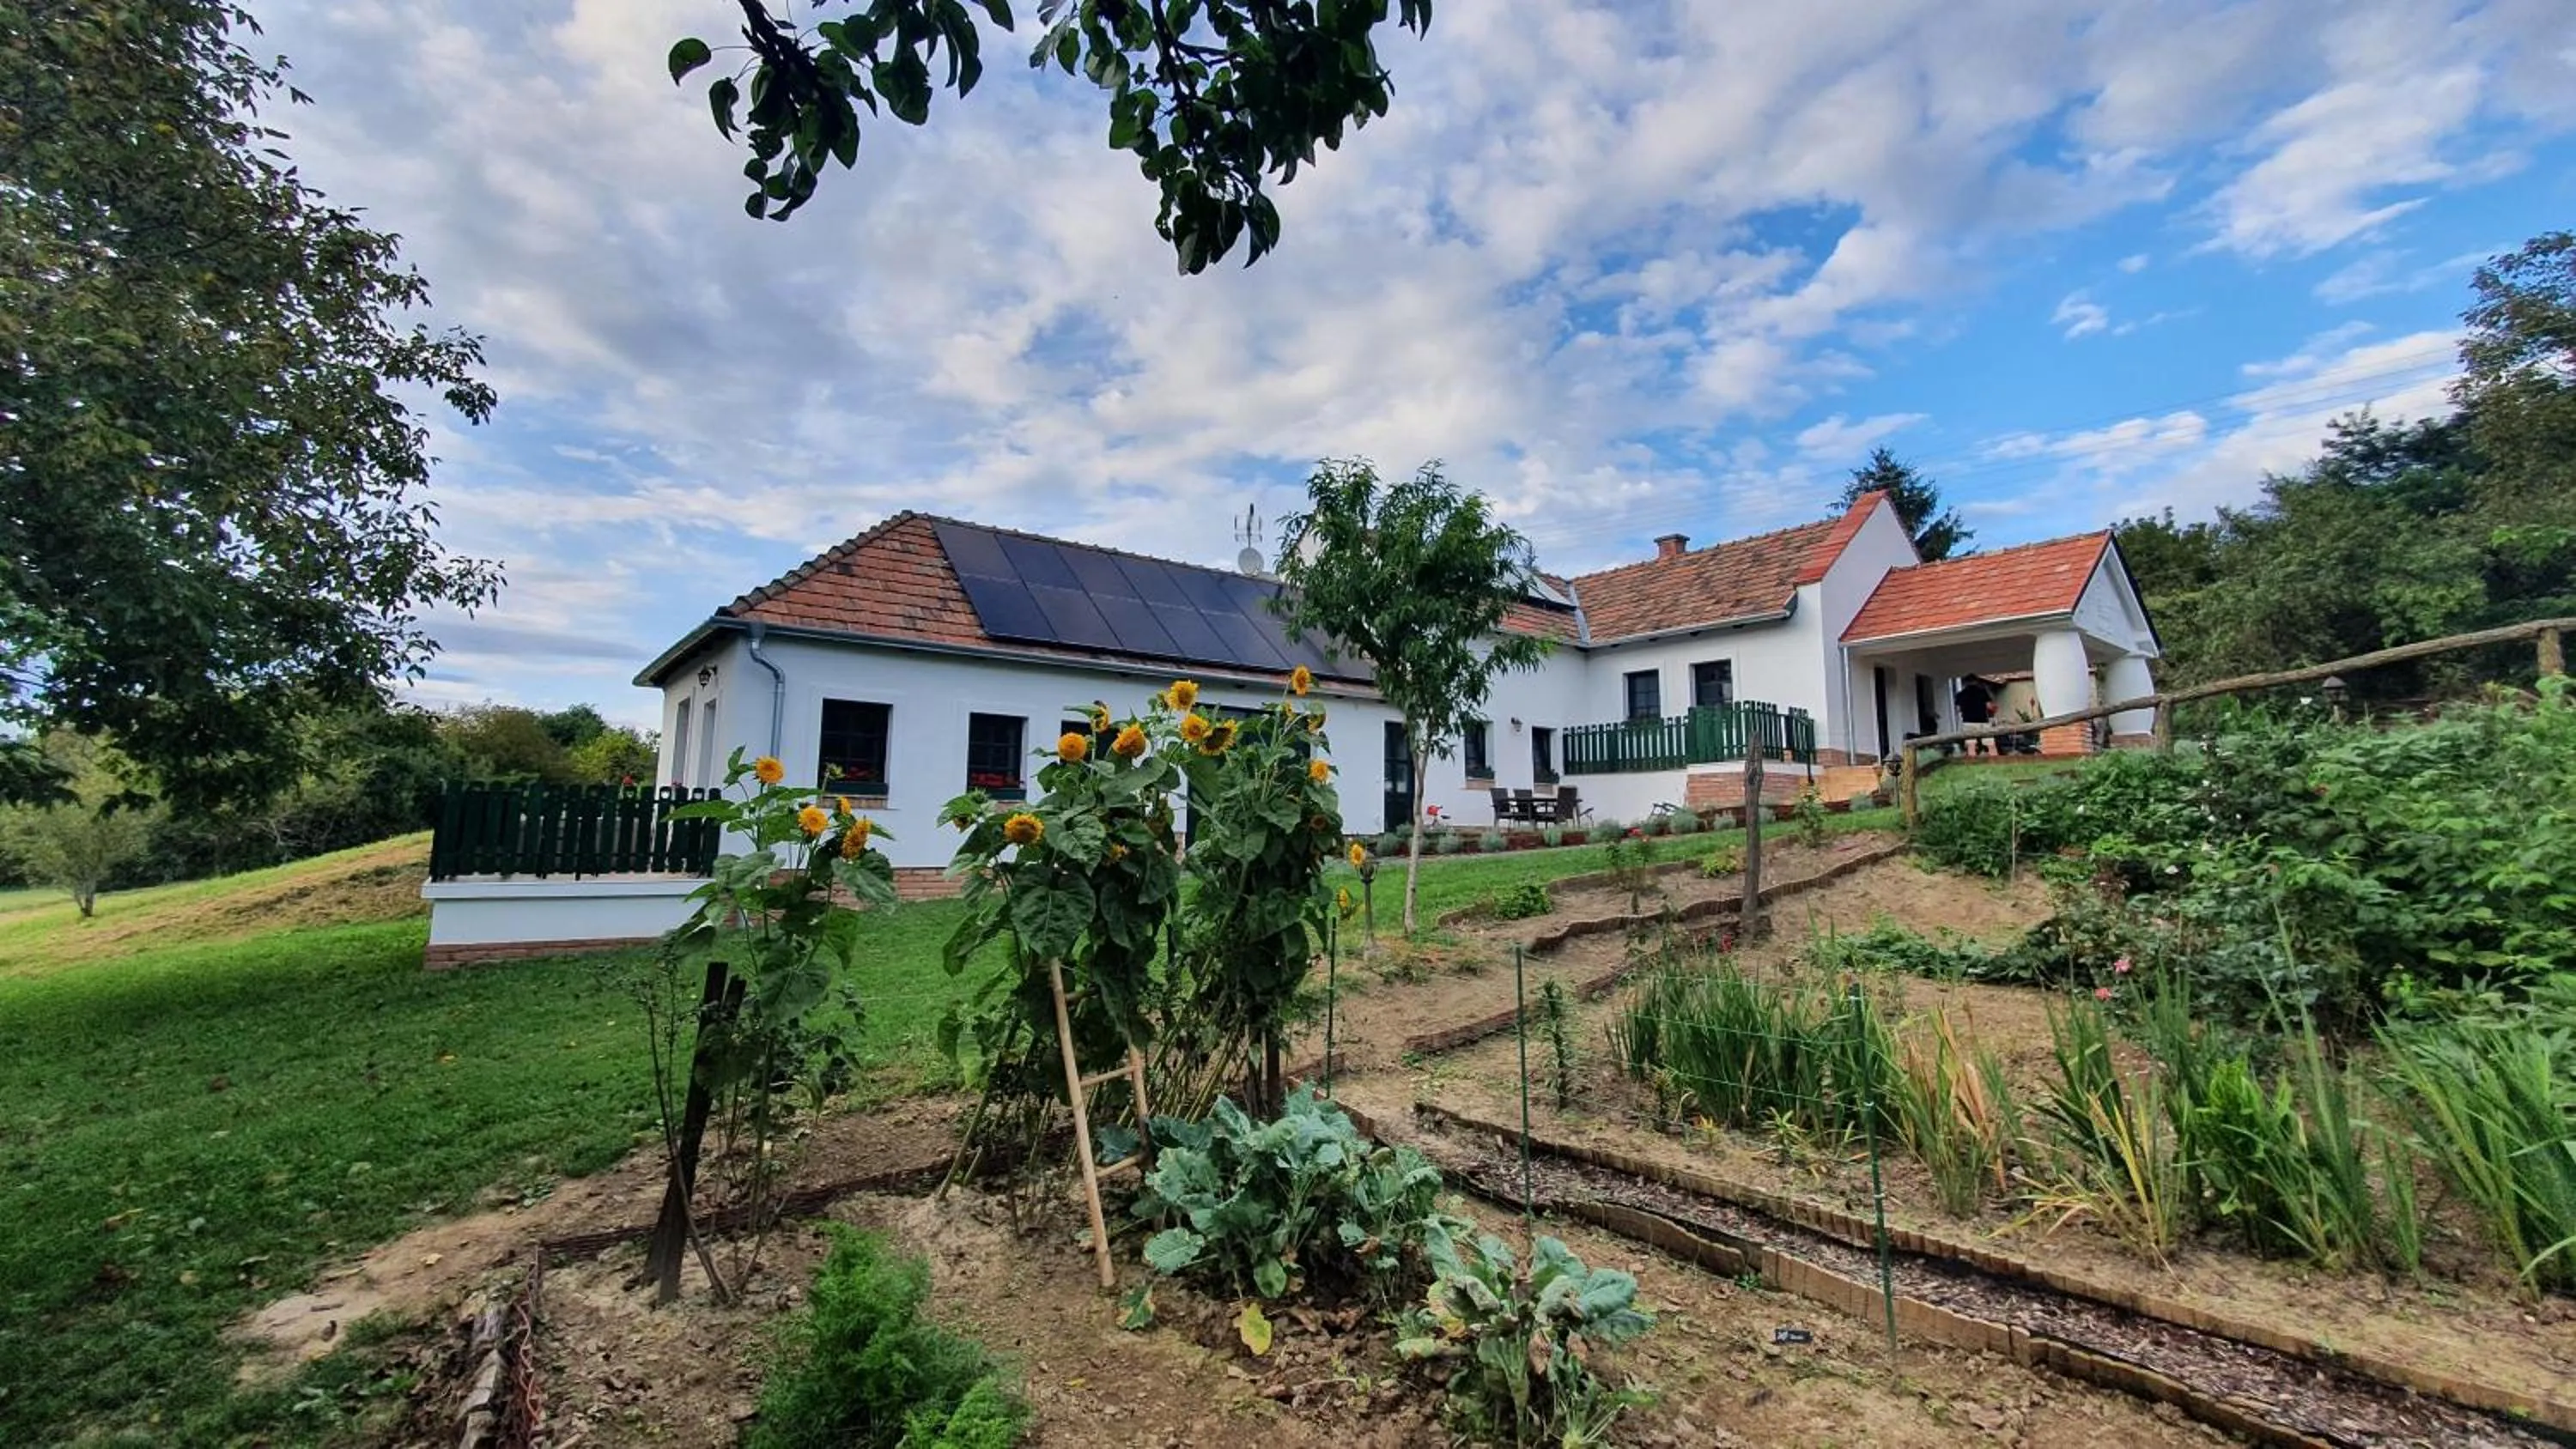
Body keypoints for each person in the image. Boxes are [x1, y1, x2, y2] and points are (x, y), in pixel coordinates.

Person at [1953, 676, 1996, 755]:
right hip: (1983, 721)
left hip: (1968, 722)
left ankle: (1972, 762)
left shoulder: (1960, 694)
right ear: (1976, 682)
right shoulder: (1982, 692)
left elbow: (1958, 709)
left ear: (1965, 683)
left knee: (1971, 745)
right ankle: (1995, 761)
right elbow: (1989, 707)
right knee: (1990, 744)